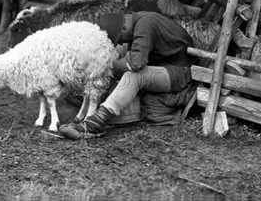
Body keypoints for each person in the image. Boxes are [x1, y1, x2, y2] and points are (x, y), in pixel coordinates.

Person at [59, 10, 195, 140]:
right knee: (121, 66)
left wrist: (105, 66)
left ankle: (95, 124)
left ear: (123, 28)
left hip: (181, 73)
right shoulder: (141, 19)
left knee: (134, 76)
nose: (122, 42)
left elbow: (136, 63)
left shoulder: (145, 24)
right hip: (168, 68)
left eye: (119, 39)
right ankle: (94, 104)